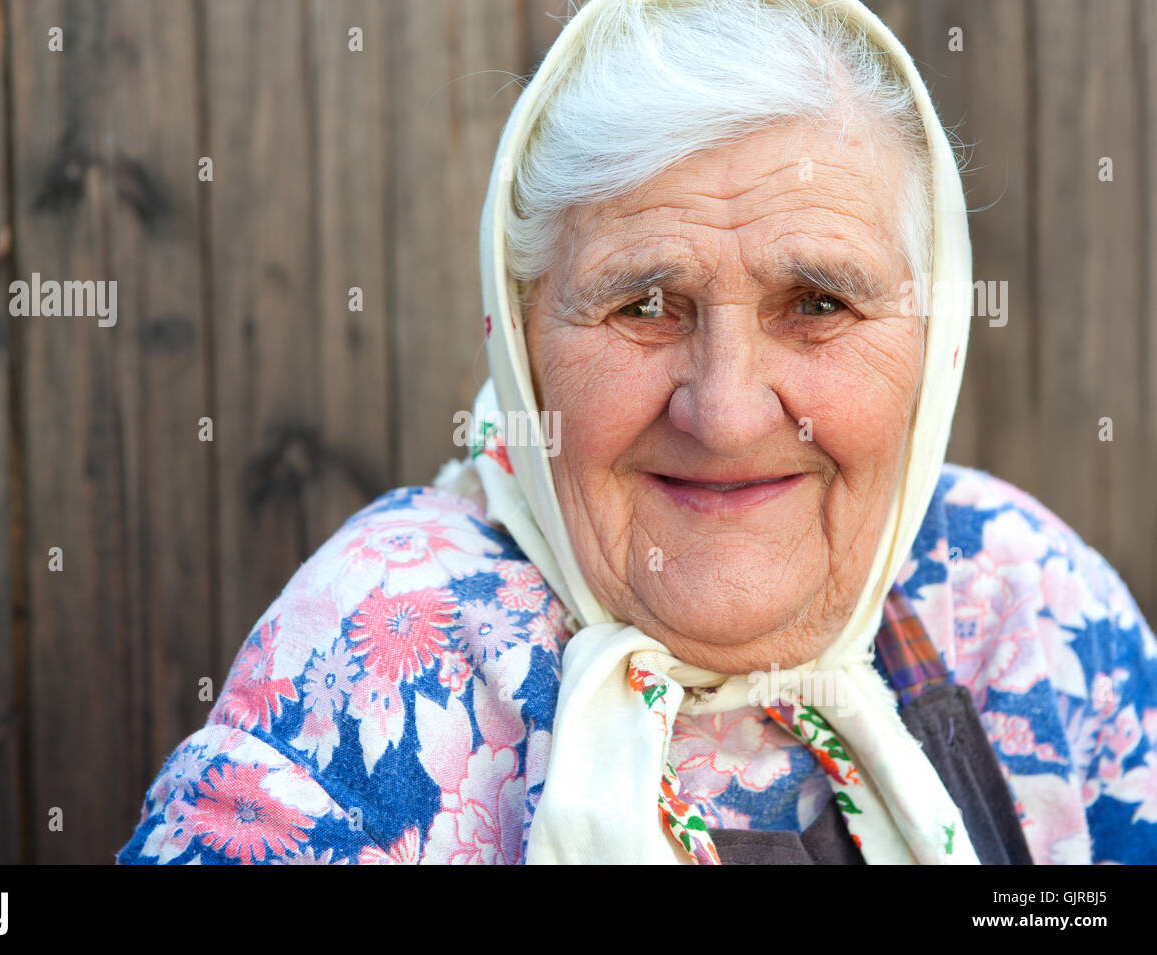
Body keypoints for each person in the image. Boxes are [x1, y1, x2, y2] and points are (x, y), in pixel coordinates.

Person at [117, 0, 1157, 865]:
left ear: (931, 337)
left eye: (819, 302)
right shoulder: (381, 656)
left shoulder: (1021, 600)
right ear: (520, 337)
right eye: (644, 306)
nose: (727, 410)